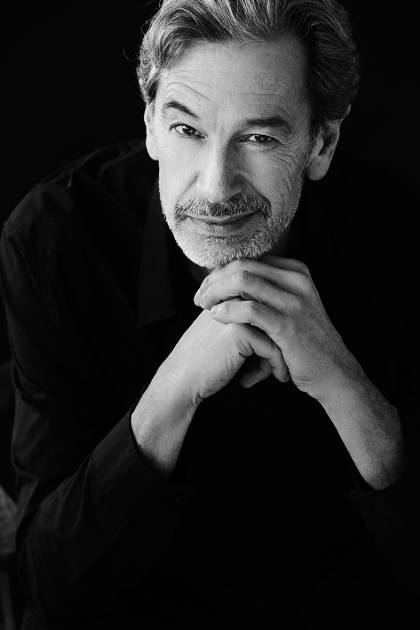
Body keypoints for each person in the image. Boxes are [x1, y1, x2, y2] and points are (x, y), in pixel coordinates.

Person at [0, 0, 418, 627]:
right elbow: (48, 584)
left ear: (322, 142)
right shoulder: (55, 241)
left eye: (259, 137)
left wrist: (343, 383)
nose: (215, 187)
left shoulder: (401, 239)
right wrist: (173, 389)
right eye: (187, 130)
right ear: (150, 124)